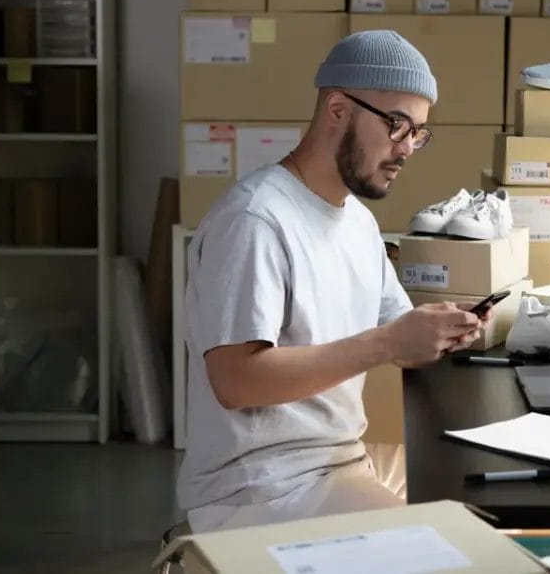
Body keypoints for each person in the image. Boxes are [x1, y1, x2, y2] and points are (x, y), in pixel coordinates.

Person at [178, 30, 490, 532]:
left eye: (418, 134)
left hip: (340, 460)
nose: (407, 148)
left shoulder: (358, 222)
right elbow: (236, 381)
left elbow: (396, 338)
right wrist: (388, 341)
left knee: (485, 501)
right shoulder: (256, 219)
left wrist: (444, 327)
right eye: (396, 125)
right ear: (339, 109)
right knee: (457, 549)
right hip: (263, 488)